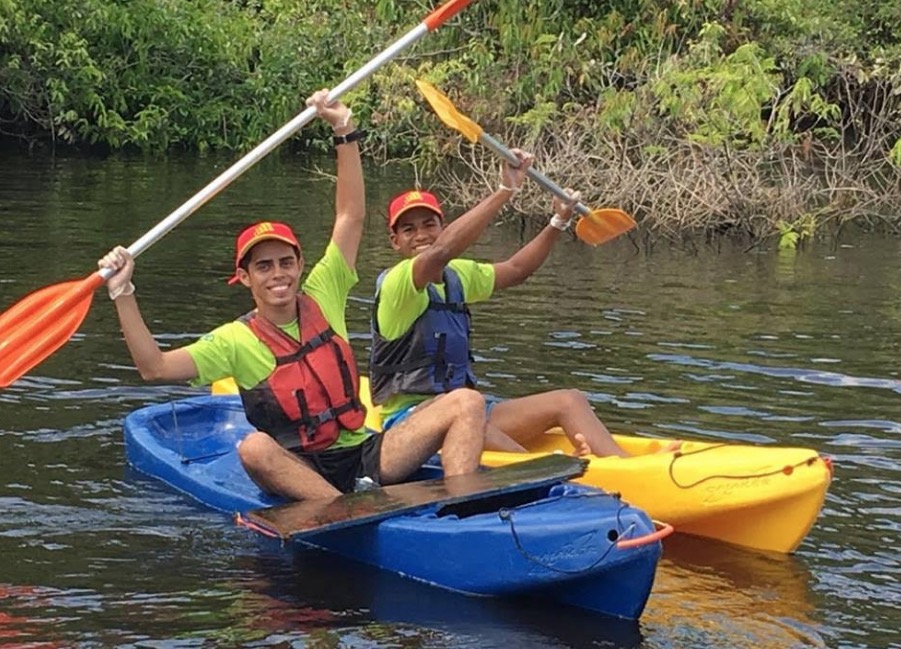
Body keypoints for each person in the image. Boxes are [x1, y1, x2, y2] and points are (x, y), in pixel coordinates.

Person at [98, 89, 486, 502]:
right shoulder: (235, 340)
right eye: (263, 266)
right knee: (253, 448)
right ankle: (340, 510)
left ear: (300, 265)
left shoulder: (325, 291)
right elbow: (153, 367)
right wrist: (123, 292)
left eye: (286, 262)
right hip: (299, 467)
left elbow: (350, 216)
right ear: (244, 278)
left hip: (363, 456)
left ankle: (458, 511)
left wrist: (344, 130)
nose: (278, 274)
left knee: (466, 401)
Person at [369, 150, 633, 458]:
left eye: (429, 224)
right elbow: (439, 253)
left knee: (569, 399)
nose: (421, 235)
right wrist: (505, 191)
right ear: (395, 242)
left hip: (467, 409)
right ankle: (543, 469)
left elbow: (517, 270)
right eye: (408, 229)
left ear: (442, 227)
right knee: (470, 419)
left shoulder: (457, 276)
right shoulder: (397, 283)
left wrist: (558, 221)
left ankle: (627, 467)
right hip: (411, 421)